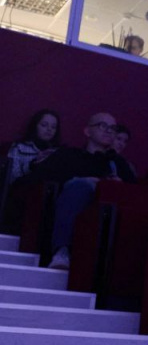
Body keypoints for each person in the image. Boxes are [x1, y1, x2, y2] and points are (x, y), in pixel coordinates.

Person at [21, 112, 136, 270]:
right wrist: (83, 181)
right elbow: (36, 179)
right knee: (79, 185)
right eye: (103, 126)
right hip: (72, 207)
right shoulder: (69, 156)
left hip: (107, 214)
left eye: (113, 128)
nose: (109, 131)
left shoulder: (119, 164)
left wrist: (115, 185)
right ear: (87, 131)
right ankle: (62, 252)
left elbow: (135, 194)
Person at [5, 108, 61, 186]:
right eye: (44, 125)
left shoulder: (58, 151)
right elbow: (9, 177)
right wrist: (32, 164)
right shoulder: (19, 148)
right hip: (23, 189)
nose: (49, 129)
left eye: (53, 127)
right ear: (35, 126)